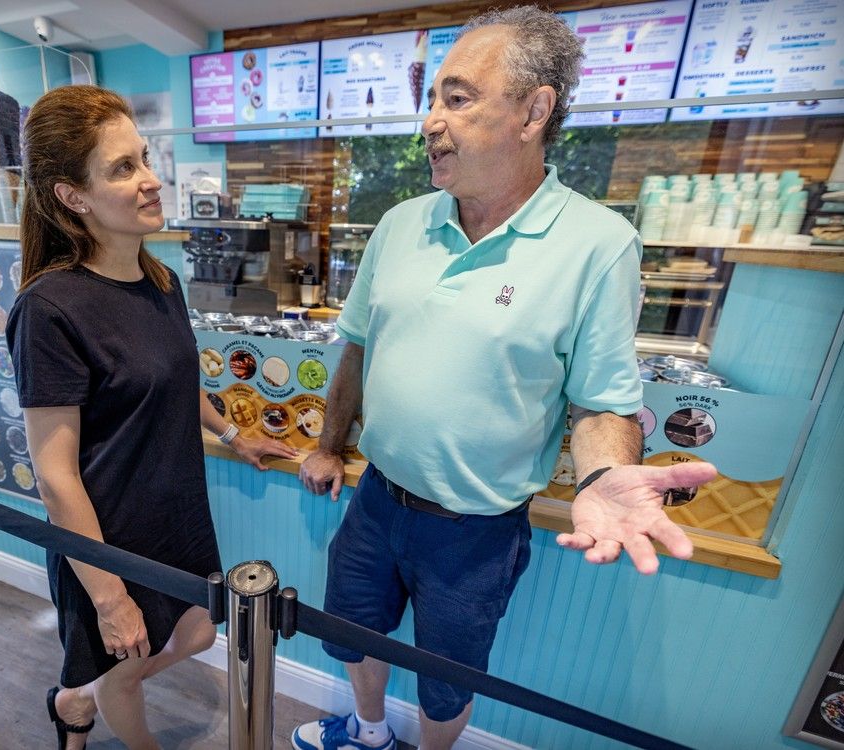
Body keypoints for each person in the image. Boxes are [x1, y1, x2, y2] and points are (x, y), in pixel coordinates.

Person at [293, 9, 717, 750]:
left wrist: (603, 478)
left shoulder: (599, 245)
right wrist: (331, 446)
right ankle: (366, 733)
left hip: (476, 531)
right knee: (351, 634)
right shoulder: (399, 224)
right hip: (374, 499)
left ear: (534, 110)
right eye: (431, 99)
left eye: (456, 99)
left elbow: (600, 402)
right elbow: (358, 348)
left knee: (446, 676)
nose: (429, 121)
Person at [5, 85, 297, 750]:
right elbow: (54, 477)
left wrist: (232, 434)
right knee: (126, 671)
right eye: (122, 168)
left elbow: (173, 379)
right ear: (72, 198)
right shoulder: (50, 310)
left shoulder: (157, 278)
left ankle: (75, 695)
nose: (149, 179)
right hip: (106, 536)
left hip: (176, 514)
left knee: (197, 629)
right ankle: (94, 706)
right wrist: (109, 598)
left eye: (143, 158)